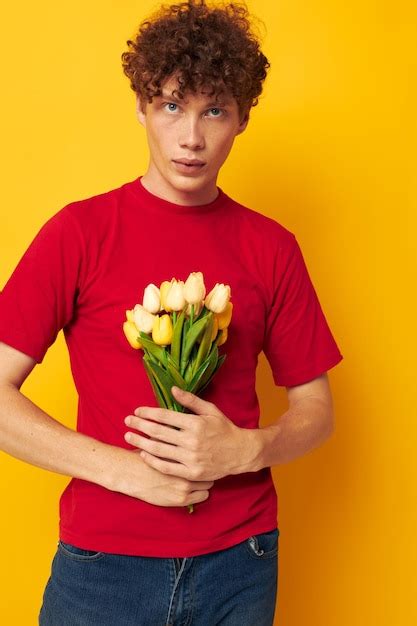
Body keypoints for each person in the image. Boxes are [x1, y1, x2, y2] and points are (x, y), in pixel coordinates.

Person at [0, 1, 343, 624]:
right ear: (141, 107)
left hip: (240, 560)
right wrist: (126, 473)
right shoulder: (80, 232)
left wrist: (246, 449)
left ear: (242, 118)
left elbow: (317, 411)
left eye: (214, 110)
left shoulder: (271, 246)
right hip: (102, 564)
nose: (191, 137)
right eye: (171, 106)